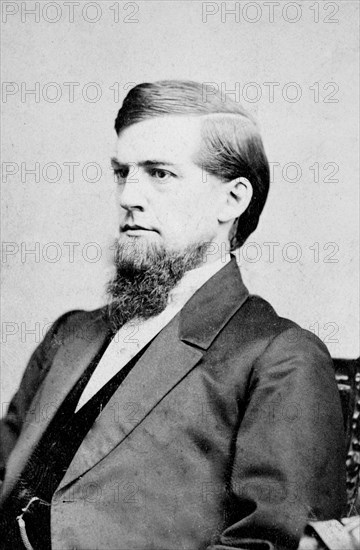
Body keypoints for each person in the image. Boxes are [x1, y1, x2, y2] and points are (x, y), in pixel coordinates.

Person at [0, 80, 346, 550]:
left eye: (160, 174)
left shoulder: (280, 358)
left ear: (234, 199)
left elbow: (274, 543)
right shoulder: (72, 333)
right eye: (123, 173)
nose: (128, 197)